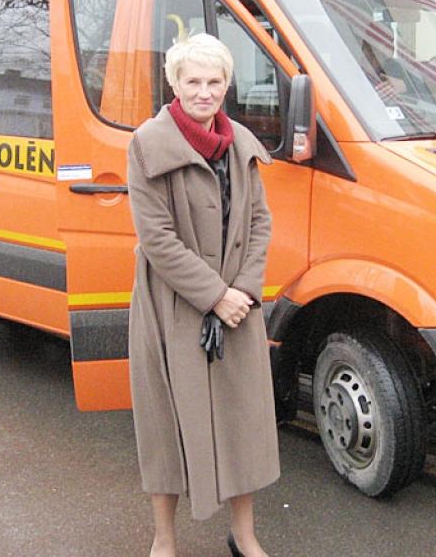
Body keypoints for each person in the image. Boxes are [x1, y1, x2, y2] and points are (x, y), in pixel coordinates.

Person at [127, 33, 278, 557]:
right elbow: (157, 239)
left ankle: (244, 535)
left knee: (242, 423)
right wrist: (215, 295)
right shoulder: (147, 143)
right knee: (166, 425)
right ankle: (163, 540)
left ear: (227, 84)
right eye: (193, 81)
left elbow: (260, 223)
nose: (204, 92)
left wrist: (243, 292)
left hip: (238, 308)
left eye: (215, 81)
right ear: (174, 83)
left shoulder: (241, 143)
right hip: (173, 307)